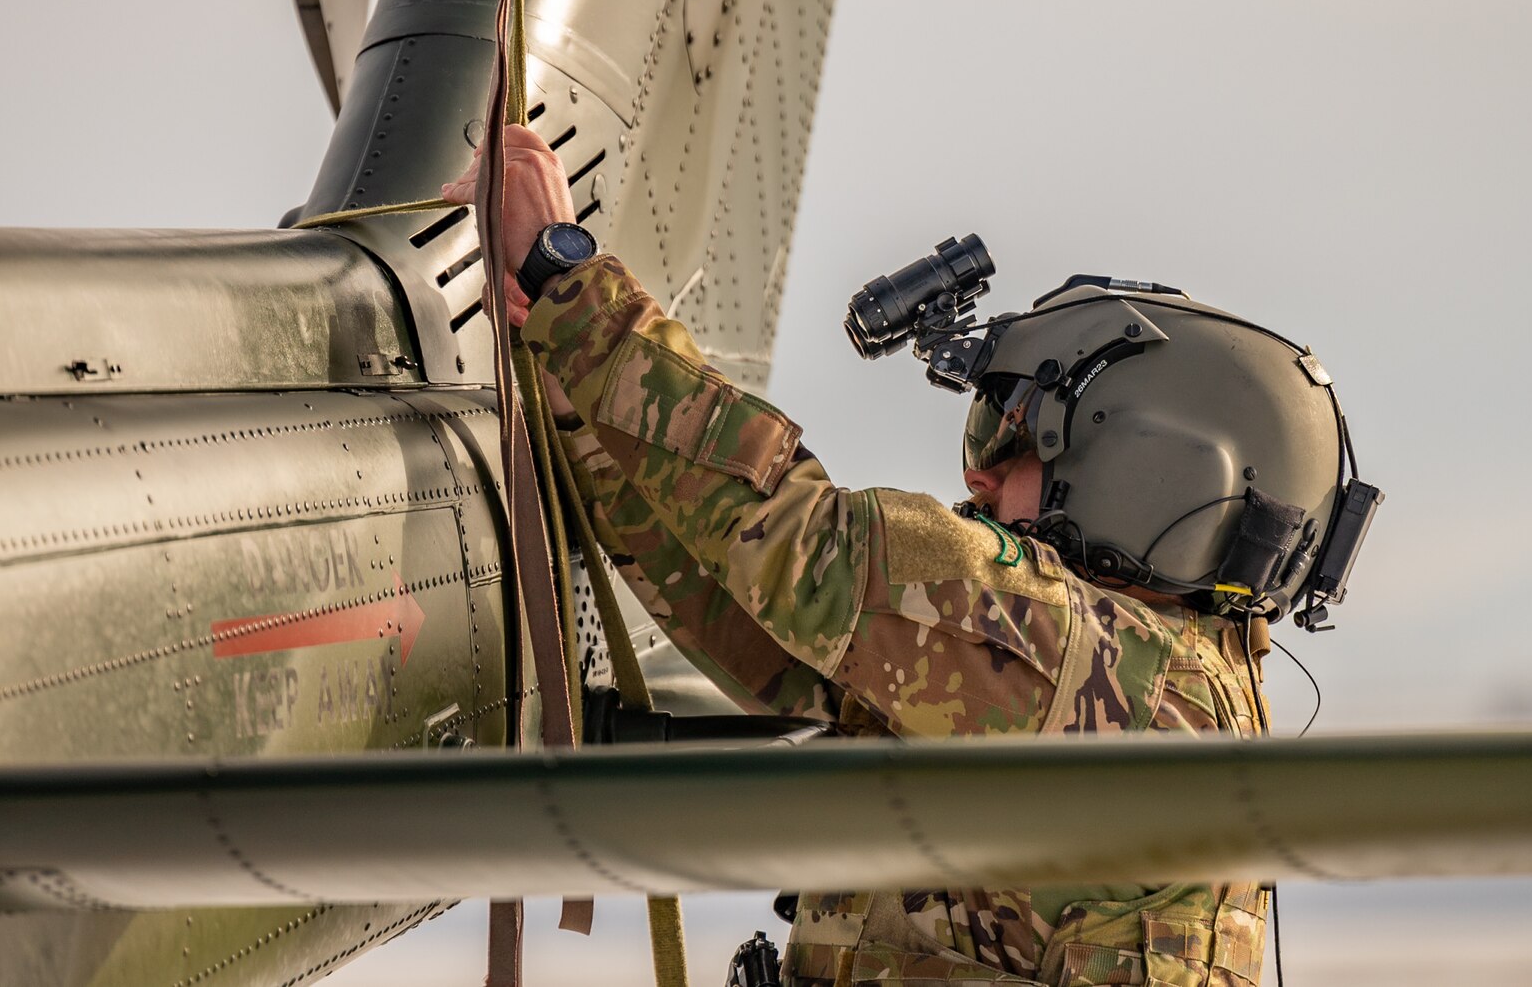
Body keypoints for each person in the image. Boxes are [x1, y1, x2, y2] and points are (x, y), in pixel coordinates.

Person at [443, 127, 1357, 987]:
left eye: (1020, 445)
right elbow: (743, 612)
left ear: (1151, 472)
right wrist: (565, 379)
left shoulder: (1107, 674)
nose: (982, 479)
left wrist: (568, 279)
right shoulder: (1159, 697)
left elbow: (802, 550)